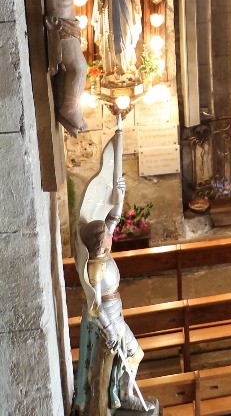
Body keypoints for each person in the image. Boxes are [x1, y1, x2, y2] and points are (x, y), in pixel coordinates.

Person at [75, 170, 153, 414]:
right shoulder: (96, 268)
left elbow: (114, 218)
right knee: (131, 356)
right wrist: (109, 329)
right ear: (100, 242)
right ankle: (124, 397)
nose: (112, 233)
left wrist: (120, 191)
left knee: (128, 358)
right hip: (109, 318)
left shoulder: (102, 253)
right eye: (107, 234)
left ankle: (123, 395)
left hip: (116, 313)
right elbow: (94, 304)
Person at [24, 0, 88, 135]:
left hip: (69, 23)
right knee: (78, 68)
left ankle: (70, 106)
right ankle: (70, 108)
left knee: (77, 68)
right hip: (60, 25)